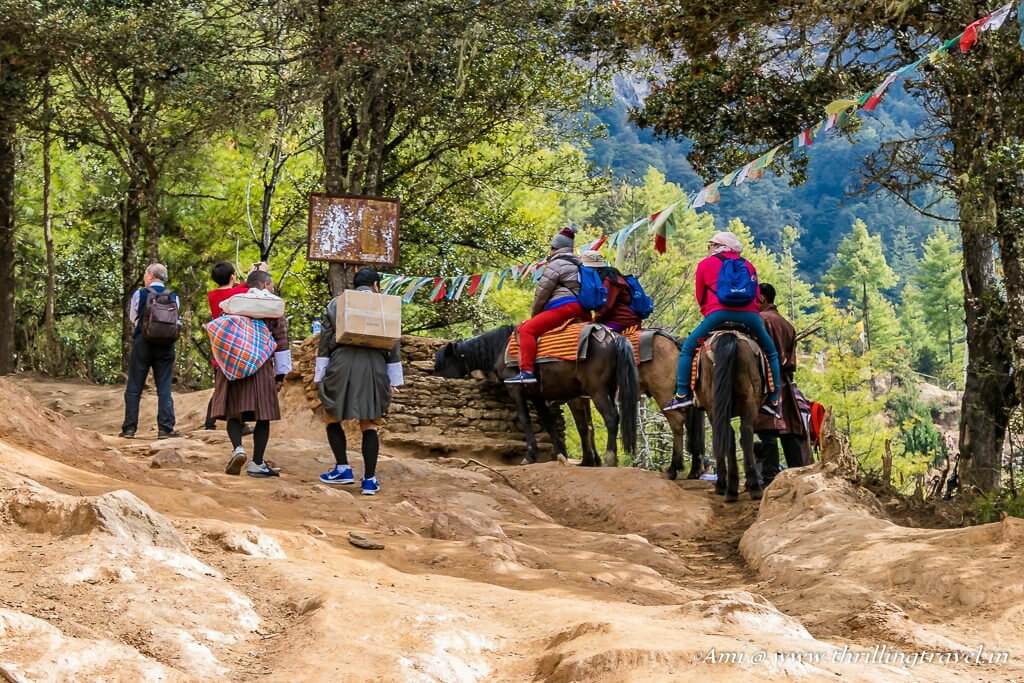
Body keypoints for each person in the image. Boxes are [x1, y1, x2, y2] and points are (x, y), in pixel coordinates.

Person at [664, 231, 781, 415]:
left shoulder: (705, 264)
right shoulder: (748, 265)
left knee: (687, 348)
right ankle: (774, 400)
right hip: (749, 316)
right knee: (771, 352)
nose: (708, 248)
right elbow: (756, 297)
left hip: (717, 314)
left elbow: (700, 296)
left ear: (717, 246)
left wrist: (710, 313)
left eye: (710, 245)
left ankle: (682, 394)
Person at [315, 267, 404, 496]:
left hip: (341, 362)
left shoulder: (337, 304)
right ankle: (369, 481)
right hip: (374, 365)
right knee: (369, 423)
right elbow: (393, 343)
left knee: (332, 415)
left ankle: (343, 468)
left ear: (354, 285)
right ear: (376, 285)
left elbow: (325, 341)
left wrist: (320, 374)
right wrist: (394, 378)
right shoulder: (384, 305)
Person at [215, 270, 290, 478]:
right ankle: (257, 462)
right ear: (265, 284)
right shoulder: (273, 308)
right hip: (261, 367)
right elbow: (281, 342)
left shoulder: (234, 302)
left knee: (233, 412)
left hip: (233, 366)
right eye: (272, 284)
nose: (273, 288)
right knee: (263, 416)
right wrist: (281, 373)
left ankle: (238, 448)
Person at [506, 226, 585, 384]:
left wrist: (535, 315)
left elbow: (542, 294)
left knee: (527, 330)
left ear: (554, 248)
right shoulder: (580, 263)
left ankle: (527, 372)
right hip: (582, 310)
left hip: (564, 308)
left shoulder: (556, 264)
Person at [753, 284, 811, 484]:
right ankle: (798, 476)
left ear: (762, 298)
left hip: (766, 381)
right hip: (785, 382)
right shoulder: (787, 324)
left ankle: (770, 478)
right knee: (788, 431)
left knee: (767, 429)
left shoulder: (760, 321)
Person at [120, 263, 181, 439]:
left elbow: (133, 318)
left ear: (150, 275)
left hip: (143, 343)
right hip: (166, 346)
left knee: (134, 386)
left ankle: (129, 429)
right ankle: (165, 429)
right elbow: (176, 320)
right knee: (164, 387)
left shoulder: (141, 293)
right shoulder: (173, 296)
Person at [203, 261, 250, 430]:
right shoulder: (240, 292)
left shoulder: (212, 295)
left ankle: (210, 421)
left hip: (220, 346)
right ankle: (240, 423)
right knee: (237, 386)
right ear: (232, 276)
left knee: (220, 386)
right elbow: (249, 285)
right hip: (238, 345)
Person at [585, 250, 643, 333]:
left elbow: (607, 306)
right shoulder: (612, 277)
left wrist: (594, 319)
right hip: (624, 318)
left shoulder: (610, 281)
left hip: (620, 320)